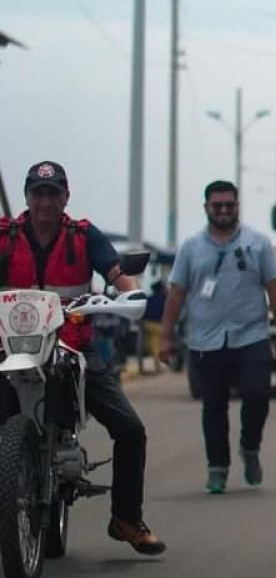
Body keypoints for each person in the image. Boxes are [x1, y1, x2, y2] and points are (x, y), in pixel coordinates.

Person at [0, 161, 166, 555]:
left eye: (53, 193)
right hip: (10, 346)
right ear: (27, 197)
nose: (45, 201)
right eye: (38, 193)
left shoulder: (83, 236)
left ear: (65, 198)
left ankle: (126, 518)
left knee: (130, 430)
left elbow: (117, 273)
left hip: (72, 344)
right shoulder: (5, 236)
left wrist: (130, 293)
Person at [158, 180, 276, 494]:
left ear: (237, 207)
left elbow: (274, 288)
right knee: (213, 407)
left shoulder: (258, 243)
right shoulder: (191, 248)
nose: (223, 211)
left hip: (252, 337)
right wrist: (165, 337)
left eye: (229, 205)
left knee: (257, 397)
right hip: (206, 341)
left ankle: (250, 447)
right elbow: (177, 293)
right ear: (206, 208)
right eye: (217, 205)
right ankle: (217, 469)